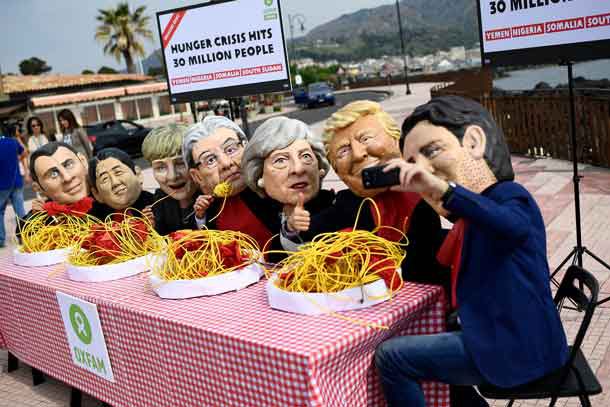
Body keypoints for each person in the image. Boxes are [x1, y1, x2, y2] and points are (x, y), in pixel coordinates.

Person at [374, 96, 568, 407]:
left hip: (517, 349)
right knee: (428, 341)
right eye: (413, 165)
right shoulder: (474, 214)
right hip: (506, 334)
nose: (423, 171)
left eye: (432, 151)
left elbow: (509, 225)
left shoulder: (511, 197)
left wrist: (443, 189)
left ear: (475, 141)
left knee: (392, 357)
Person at [283, 100, 447, 284]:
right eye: (343, 151)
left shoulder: (426, 191)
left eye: (366, 139)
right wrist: (292, 226)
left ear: (396, 139)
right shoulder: (346, 204)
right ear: (338, 171)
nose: (358, 154)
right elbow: (305, 236)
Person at [183, 115, 279, 252]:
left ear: (246, 147)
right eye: (210, 160)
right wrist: (200, 217)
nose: (226, 163)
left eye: (231, 150)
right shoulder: (208, 207)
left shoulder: (273, 185)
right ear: (197, 176)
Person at [241, 116, 335, 254]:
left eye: (306, 156)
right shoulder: (255, 214)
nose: (298, 169)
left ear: (319, 167)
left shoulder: (336, 205)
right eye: (280, 160)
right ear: (259, 175)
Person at [141, 123, 199, 235]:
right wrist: (151, 229)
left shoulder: (213, 197)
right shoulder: (159, 200)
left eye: (180, 163)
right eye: (161, 167)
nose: (172, 176)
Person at [89, 148, 154, 220]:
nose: (115, 182)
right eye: (105, 179)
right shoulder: (95, 223)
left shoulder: (160, 206)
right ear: (97, 194)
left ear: (138, 174)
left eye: (118, 172)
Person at [0, 124, 27, 247]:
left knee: (0, 211)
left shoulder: (1, 142)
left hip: (2, 183)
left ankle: (1, 240)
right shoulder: (15, 143)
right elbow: (25, 151)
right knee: (19, 209)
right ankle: (24, 236)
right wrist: (19, 158)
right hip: (17, 181)